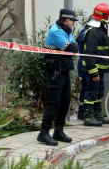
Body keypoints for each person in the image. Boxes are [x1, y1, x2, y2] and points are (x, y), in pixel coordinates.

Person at [37, 9, 79, 146]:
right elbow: (71, 47)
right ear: (67, 20)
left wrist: (73, 47)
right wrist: (72, 47)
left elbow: (74, 46)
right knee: (53, 102)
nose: (73, 24)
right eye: (73, 21)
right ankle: (43, 132)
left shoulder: (66, 31)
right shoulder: (56, 31)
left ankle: (58, 131)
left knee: (65, 101)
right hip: (55, 71)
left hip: (64, 69)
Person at [82, 4, 109, 127]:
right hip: (94, 69)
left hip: (100, 68)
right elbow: (89, 53)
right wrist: (93, 71)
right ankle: (88, 117)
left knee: (99, 92)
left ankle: (98, 115)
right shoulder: (93, 31)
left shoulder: (100, 28)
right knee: (91, 92)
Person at [76, 15, 93, 120]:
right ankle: (83, 111)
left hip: (83, 63)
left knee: (85, 88)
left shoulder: (84, 31)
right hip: (85, 64)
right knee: (87, 88)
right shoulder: (86, 33)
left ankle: (82, 111)